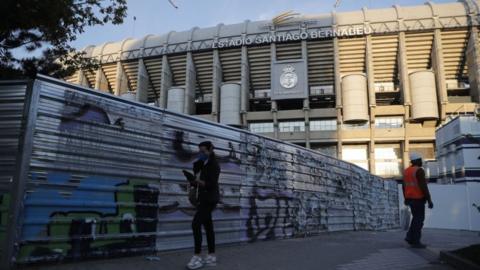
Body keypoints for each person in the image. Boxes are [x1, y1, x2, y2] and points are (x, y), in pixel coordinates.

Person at [186, 141, 221, 269]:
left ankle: (197, 257)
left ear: (210, 150)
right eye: (199, 151)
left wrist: (196, 181)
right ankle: (211, 256)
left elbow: (210, 184)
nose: (201, 154)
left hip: (210, 199)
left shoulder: (214, 165)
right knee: (208, 226)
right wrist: (192, 181)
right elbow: (199, 182)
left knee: (196, 224)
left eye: (203, 151)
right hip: (203, 198)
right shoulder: (201, 164)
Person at [403, 152, 434, 248]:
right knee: (419, 220)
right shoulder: (419, 171)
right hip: (418, 199)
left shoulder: (407, 171)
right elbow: (423, 187)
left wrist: (406, 198)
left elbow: (404, 186)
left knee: (416, 219)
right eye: (420, 160)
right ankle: (415, 241)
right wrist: (429, 200)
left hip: (410, 199)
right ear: (416, 160)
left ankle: (410, 237)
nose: (421, 162)